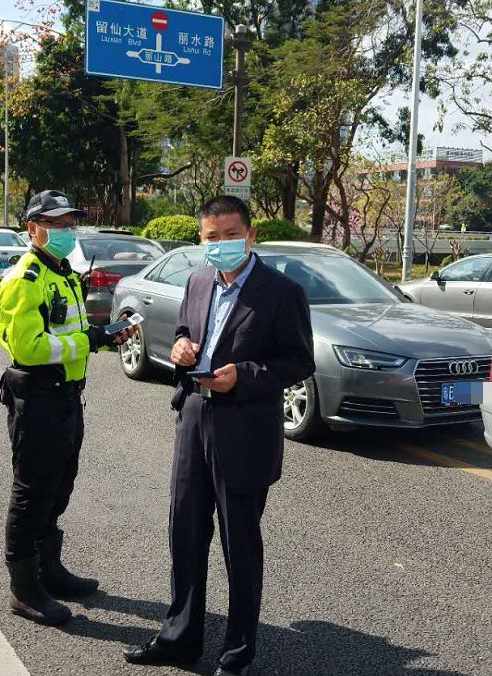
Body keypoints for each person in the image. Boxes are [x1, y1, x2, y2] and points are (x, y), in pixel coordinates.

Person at [123, 196, 315, 675]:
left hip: (245, 427)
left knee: (240, 545)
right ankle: (180, 637)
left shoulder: (282, 292)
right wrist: (182, 346)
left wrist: (244, 376)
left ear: (251, 236)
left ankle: (237, 652)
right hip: (194, 415)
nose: (222, 244)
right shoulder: (198, 280)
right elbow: (186, 329)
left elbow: (299, 361)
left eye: (231, 235)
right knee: (185, 533)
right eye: (212, 237)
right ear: (201, 239)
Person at [0, 189, 137, 626]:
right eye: (55, 224)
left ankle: (48, 570)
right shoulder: (24, 279)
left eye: (70, 224)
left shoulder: (64, 274)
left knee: (59, 487)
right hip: (38, 397)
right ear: (32, 229)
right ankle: (24, 589)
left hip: (68, 397)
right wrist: (87, 340)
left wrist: (104, 335)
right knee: (32, 492)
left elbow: (68, 331)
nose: (65, 232)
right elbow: (30, 348)